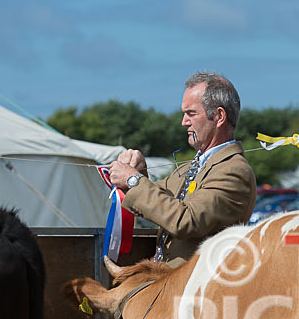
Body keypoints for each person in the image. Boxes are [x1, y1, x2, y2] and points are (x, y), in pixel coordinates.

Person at [108, 71, 256, 267]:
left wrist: (133, 180)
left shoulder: (234, 171)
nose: (184, 122)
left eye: (191, 113)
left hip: (199, 284)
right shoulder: (190, 167)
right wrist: (140, 173)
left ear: (219, 116)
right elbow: (160, 205)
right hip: (168, 280)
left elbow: (186, 220)